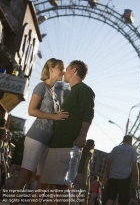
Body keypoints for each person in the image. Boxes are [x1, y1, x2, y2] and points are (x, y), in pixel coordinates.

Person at [11, 58, 69, 203]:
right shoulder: (41, 87)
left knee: (44, 181)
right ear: (51, 69)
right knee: (25, 175)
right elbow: (31, 110)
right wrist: (54, 116)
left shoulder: (54, 93)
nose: (63, 71)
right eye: (61, 68)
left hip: (48, 142)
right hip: (36, 137)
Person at [40, 60, 95, 204]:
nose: (64, 72)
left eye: (67, 69)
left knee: (62, 188)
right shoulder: (72, 92)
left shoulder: (83, 89)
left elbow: (88, 113)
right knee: (54, 186)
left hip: (68, 145)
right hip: (58, 145)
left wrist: (83, 135)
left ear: (74, 70)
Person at [104, 135, 139, 205]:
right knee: (123, 200)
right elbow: (134, 166)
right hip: (124, 178)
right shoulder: (132, 151)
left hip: (113, 177)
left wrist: (107, 176)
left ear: (123, 140)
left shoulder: (115, 149)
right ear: (131, 141)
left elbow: (109, 163)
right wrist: (136, 180)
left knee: (110, 198)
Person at [74, 139, 95, 205]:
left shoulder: (81, 151)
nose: (94, 145)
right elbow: (86, 166)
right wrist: (85, 179)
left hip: (76, 174)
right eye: (93, 144)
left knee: (74, 196)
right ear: (90, 145)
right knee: (85, 196)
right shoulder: (89, 153)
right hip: (83, 175)